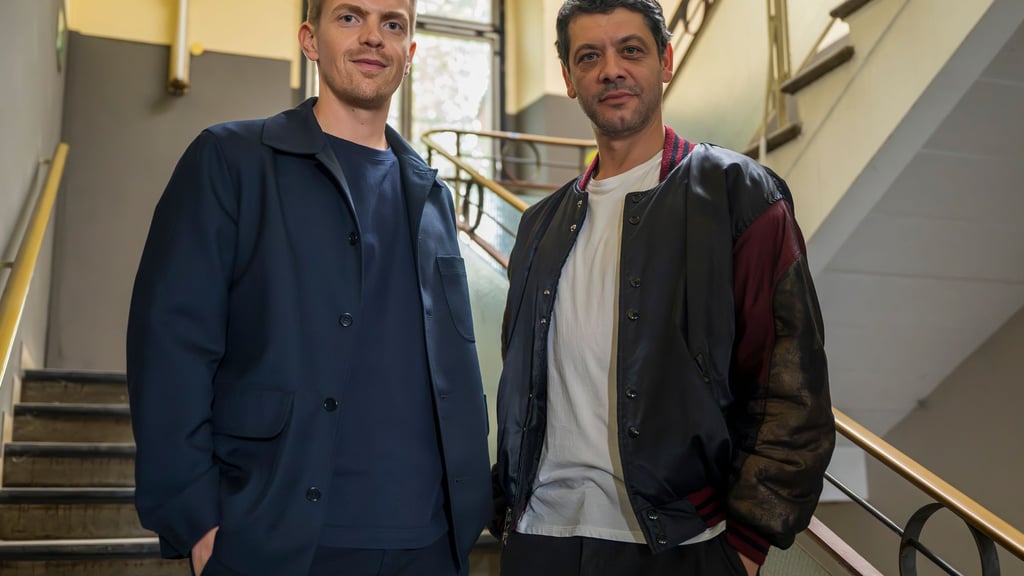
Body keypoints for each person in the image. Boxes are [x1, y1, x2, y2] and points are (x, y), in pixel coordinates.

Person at [126, 0, 491, 574]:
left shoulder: (433, 195)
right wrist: (195, 519)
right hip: (284, 539)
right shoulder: (230, 159)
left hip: (429, 543)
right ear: (310, 39)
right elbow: (171, 344)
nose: (373, 36)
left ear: (410, 54)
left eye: (392, 24)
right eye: (350, 17)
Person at [492, 1, 836, 574]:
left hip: (682, 546)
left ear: (665, 60)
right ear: (569, 79)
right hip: (538, 539)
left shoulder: (737, 194)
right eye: (589, 57)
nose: (612, 70)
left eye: (631, 50)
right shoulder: (538, 227)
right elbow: (520, 383)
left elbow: (790, 385)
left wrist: (747, 546)